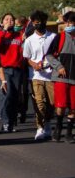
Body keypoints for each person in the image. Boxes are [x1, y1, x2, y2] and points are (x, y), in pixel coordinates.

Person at [22, 10, 56, 140]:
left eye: (40, 22)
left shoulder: (52, 37)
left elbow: (56, 54)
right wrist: (34, 64)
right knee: (40, 103)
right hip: (36, 76)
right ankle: (40, 127)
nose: (38, 25)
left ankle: (47, 123)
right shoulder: (30, 40)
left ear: (45, 22)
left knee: (52, 103)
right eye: (36, 23)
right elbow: (27, 57)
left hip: (51, 76)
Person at [46, 10, 75, 143]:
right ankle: (57, 129)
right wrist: (59, 67)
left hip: (74, 78)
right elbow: (49, 55)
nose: (69, 24)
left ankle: (69, 132)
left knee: (73, 106)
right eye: (67, 22)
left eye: (71, 22)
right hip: (61, 77)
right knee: (61, 105)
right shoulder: (60, 37)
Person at [0, 13, 23, 132]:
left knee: (15, 97)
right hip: (4, 70)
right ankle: (4, 122)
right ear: (2, 21)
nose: (9, 21)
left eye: (12, 19)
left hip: (17, 69)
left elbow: (22, 51)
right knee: (6, 96)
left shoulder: (19, 35)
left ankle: (10, 123)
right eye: (6, 19)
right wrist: (4, 30)